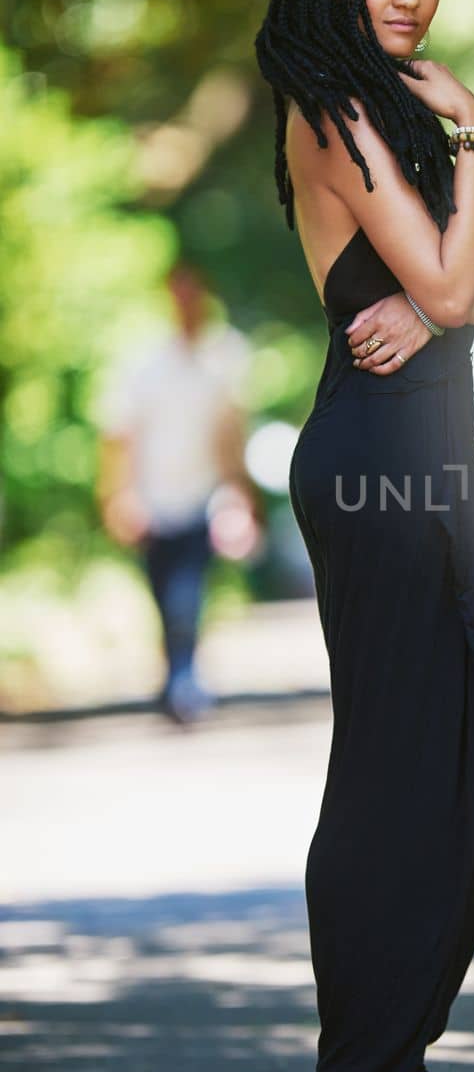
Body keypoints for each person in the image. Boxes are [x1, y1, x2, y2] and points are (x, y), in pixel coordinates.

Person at [254, 0, 474, 1072]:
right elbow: (454, 266)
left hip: (434, 462)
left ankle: (387, 1059)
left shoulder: (395, 111)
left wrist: (436, 303)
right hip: (377, 464)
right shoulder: (337, 112)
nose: (409, 0)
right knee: (394, 771)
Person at [96, 259, 255, 724]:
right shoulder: (143, 363)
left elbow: (232, 436)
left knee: (188, 595)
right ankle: (174, 676)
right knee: (164, 596)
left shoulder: (225, 357)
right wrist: (118, 497)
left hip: (203, 498)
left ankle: (184, 683)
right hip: (152, 502)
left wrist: (238, 498)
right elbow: (118, 437)